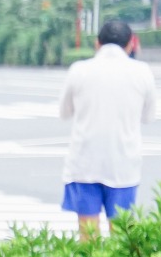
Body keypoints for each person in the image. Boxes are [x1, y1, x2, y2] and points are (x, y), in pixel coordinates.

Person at [59, 18, 155, 239]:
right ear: (131, 44)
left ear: (97, 44)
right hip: (123, 165)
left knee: (88, 239)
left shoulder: (79, 70)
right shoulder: (142, 72)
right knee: (121, 239)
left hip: (84, 164)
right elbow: (148, 116)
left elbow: (64, 112)